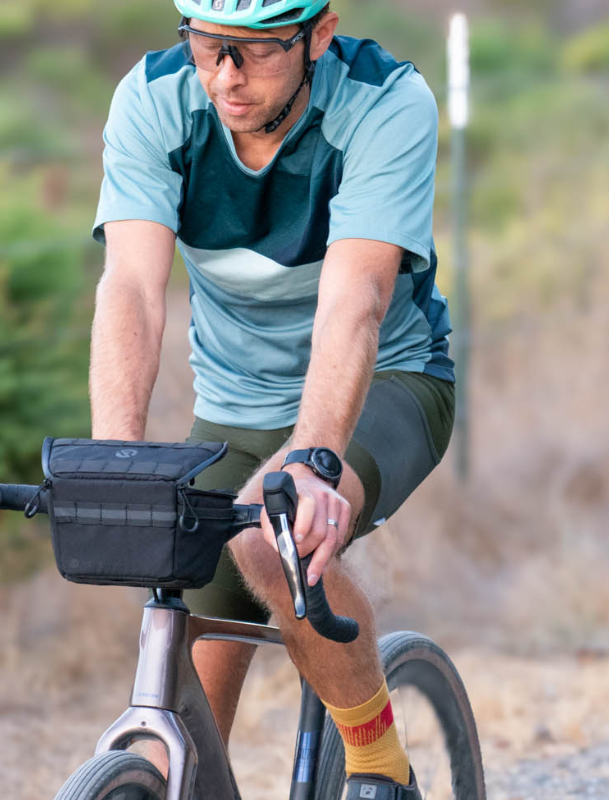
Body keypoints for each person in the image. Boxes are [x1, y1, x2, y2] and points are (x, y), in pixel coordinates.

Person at [89, 0, 454, 796]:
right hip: (236, 406)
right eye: (208, 47)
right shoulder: (153, 101)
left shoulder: (387, 102)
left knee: (270, 537)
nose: (226, 76)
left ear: (319, 33)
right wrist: (117, 461)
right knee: (180, 727)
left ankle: (380, 768)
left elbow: (355, 296)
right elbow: (133, 291)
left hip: (386, 380)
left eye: (254, 52)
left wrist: (317, 460)